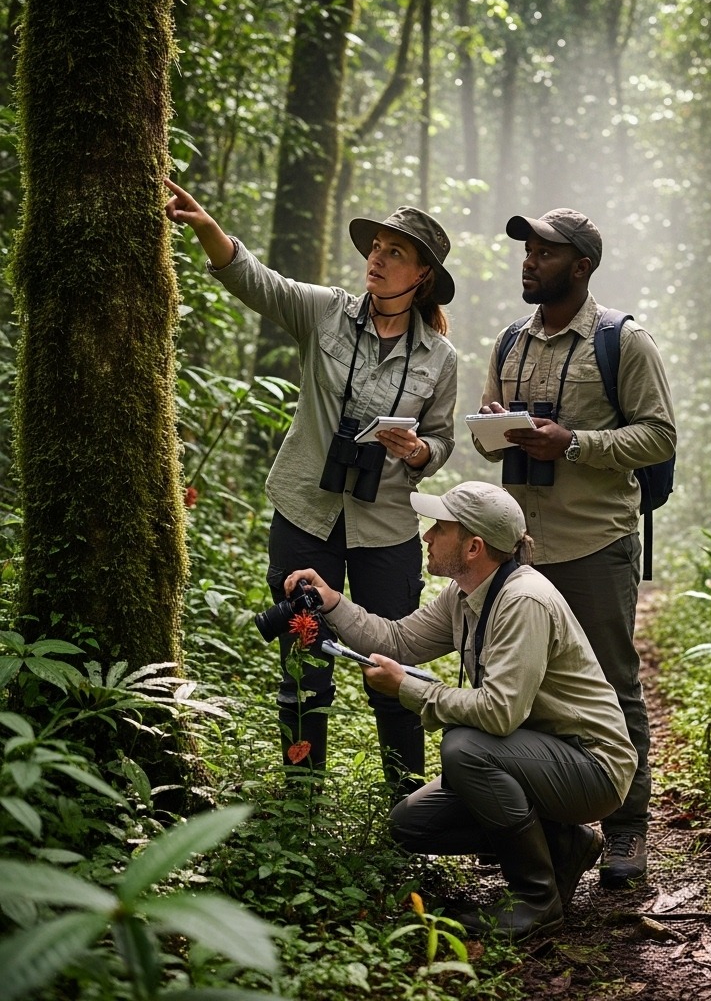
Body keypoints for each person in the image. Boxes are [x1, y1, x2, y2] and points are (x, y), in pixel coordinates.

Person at [164, 178, 458, 793]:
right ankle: (302, 800)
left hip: (387, 526)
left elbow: (442, 441)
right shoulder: (326, 311)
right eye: (375, 246)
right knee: (303, 658)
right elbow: (256, 281)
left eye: (395, 252)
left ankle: (408, 804)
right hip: (307, 510)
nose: (377, 258)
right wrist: (205, 227)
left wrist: (419, 449)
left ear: (422, 276)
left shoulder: (440, 357)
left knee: (392, 665)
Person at [284, 481, 637, 940]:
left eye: (440, 529)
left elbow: (499, 714)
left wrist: (409, 689)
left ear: (473, 547)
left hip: (592, 766)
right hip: (542, 756)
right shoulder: (466, 594)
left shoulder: (522, 600)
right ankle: (564, 844)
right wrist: (332, 601)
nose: (427, 537)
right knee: (411, 825)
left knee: (466, 747)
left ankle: (536, 900)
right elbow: (398, 641)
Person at [475, 209, 676, 888]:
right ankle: (560, 836)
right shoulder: (510, 342)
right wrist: (500, 430)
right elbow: (482, 431)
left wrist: (576, 444)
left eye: (544, 252)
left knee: (615, 688)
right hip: (524, 551)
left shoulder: (624, 342)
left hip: (596, 542)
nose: (529, 262)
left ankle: (625, 833)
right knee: (528, 692)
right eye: (526, 251)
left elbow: (659, 436)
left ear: (581, 265)